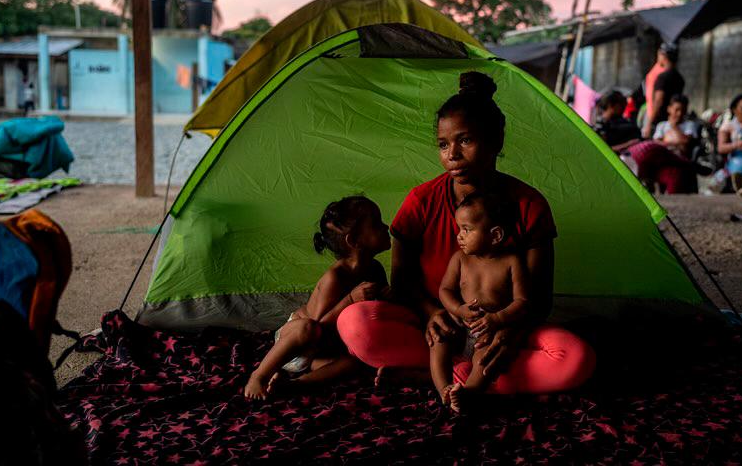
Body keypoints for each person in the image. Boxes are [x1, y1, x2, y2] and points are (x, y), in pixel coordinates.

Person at [337, 71, 596, 396]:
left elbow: (538, 299)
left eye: (466, 140)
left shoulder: (529, 205)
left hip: (499, 329)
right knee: (355, 323)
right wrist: (433, 315)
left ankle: (437, 378)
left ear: (496, 141)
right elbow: (403, 284)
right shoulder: (422, 200)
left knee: (575, 359)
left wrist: (510, 331)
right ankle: (472, 379)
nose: (452, 154)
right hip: (435, 329)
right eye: (443, 144)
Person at [243, 196, 391, 400]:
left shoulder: (375, 269)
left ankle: (296, 385)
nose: (387, 227)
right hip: (297, 345)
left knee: (357, 362)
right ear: (354, 241)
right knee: (307, 327)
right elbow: (320, 327)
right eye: (377, 224)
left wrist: (386, 297)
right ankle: (259, 375)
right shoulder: (336, 277)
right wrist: (350, 299)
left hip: (321, 353)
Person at [432, 192, 529, 412]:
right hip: (462, 324)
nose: (459, 236)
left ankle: (470, 392)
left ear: (495, 235)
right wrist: (458, 309)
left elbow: (523, 301)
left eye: (466, 229)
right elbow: (445, 290)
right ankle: (444, 388)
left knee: (485, 355)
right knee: (438, 340)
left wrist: (497, 318)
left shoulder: (512, 262)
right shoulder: (459, 259)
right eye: (459, 229)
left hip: (489, 330)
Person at [643, 43, 685, 139]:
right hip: (671, 121)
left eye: (659, 54)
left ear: (663, 56)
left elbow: (658, 101)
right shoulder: (679, 78)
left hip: (658, 121)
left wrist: (649, 123)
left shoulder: (662, 77)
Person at [653, 94, 699, 159]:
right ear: (669, 109)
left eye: (683, 110)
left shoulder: (690, 125)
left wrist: (674, 127)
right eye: (677, 110)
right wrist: (675, 144)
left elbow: (686, 142)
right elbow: (656, 143)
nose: (679, 114)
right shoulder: (661, 125)